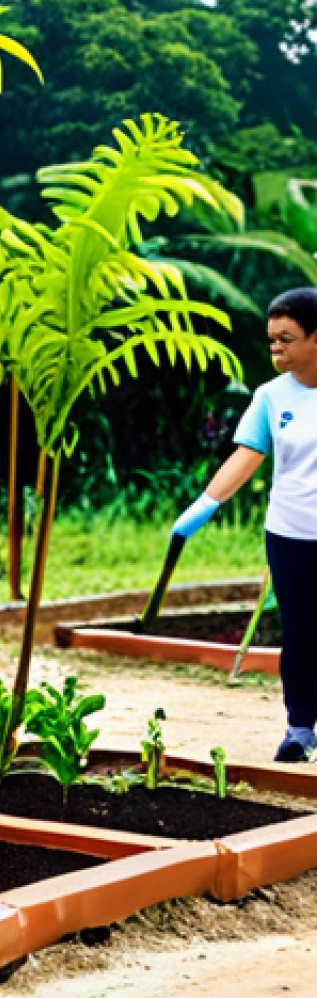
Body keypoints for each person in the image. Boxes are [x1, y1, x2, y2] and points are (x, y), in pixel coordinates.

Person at [170, 287, 317, 763]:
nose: (275, 348)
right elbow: (247, 455)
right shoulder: (271, 397)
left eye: (287, 338)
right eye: (272, 339)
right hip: (291, 533)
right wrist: (205, 504)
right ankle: (300, 729)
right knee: (298, 632)